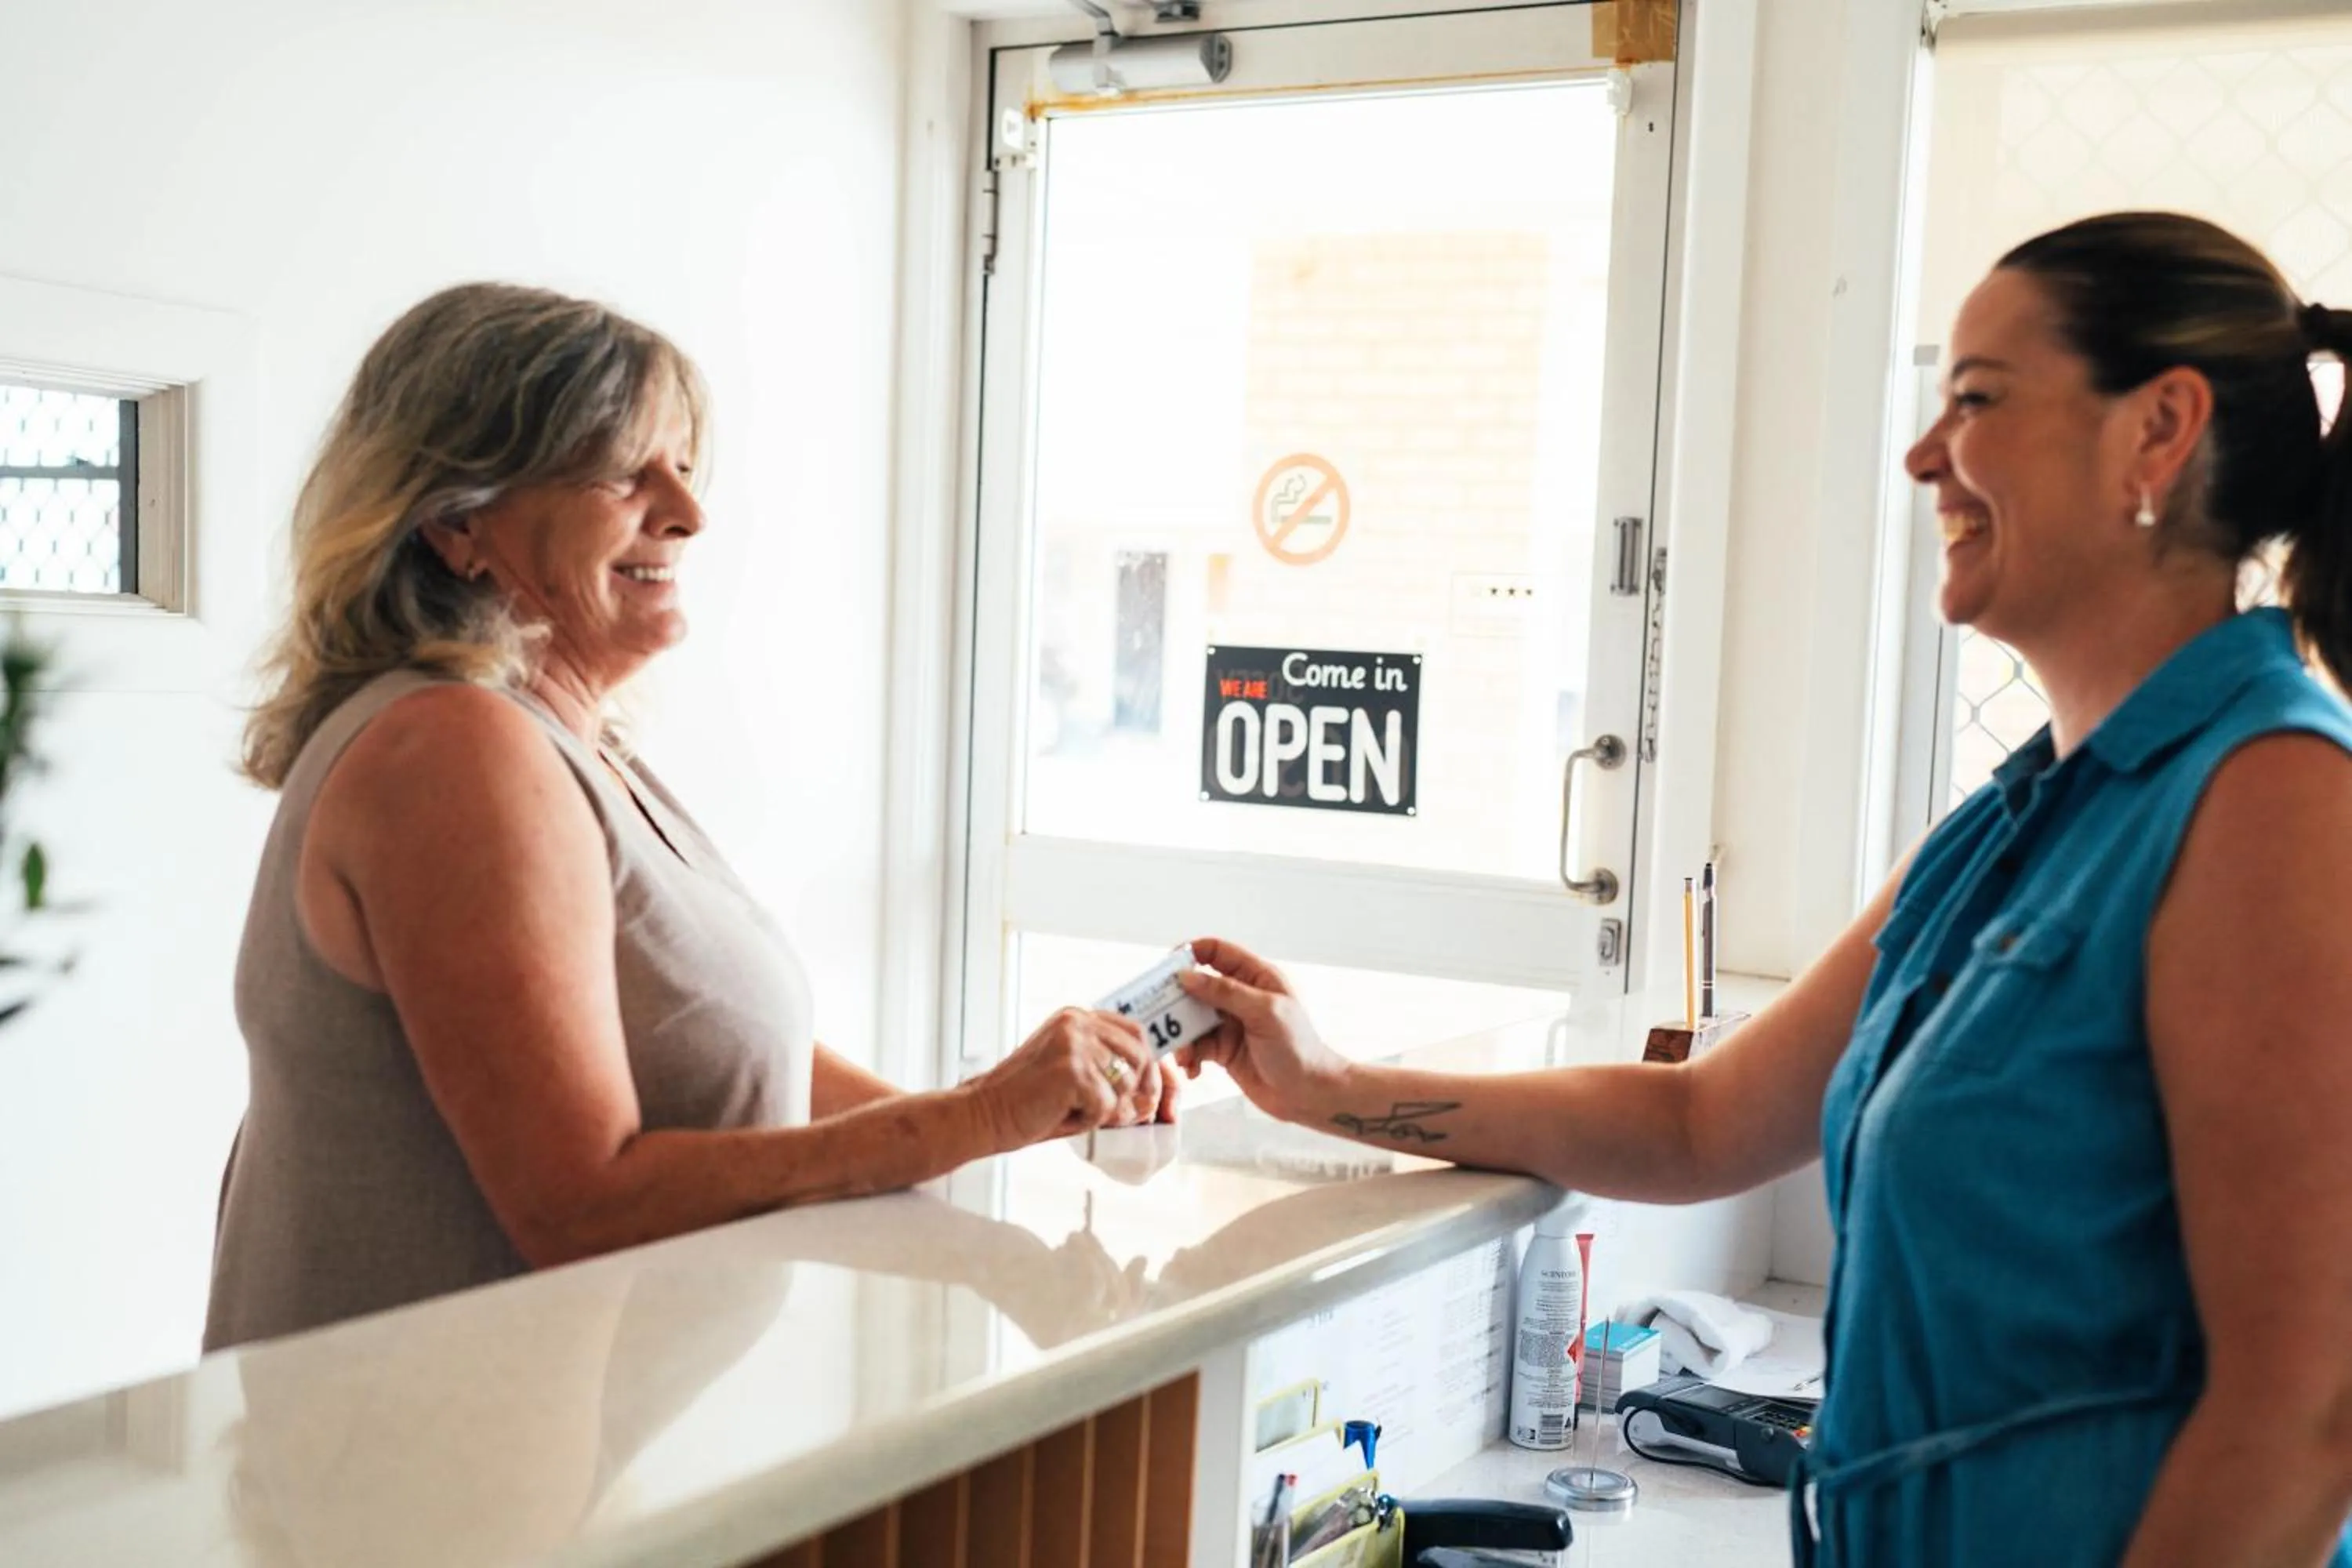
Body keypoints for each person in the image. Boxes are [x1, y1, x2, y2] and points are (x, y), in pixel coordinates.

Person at [1177, 212, 2352, 1566]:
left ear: (2159, 431)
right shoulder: (2011, 827)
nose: (1923, 456)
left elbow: (2304, 1409)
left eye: (1976, 399)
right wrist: (1329, 1085)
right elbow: (1696, 1124)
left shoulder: (2271, 798)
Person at [206, 283, 1169, 1351]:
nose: (687, 513)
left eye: (683, 467)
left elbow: (737, 1068)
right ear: (457, 524)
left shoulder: (567, 744)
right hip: (408, 1469)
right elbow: (582, 1202)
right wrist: (975, 1120)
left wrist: (1018, 1104)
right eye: (622, 472)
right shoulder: (455, 752)